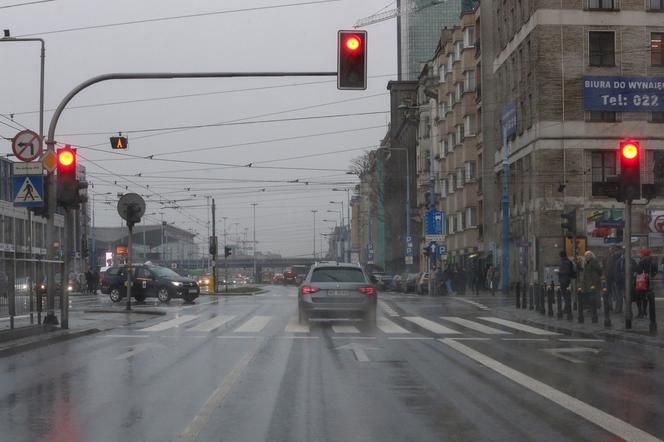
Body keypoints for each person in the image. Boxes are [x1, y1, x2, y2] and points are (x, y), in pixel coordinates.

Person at [634, 247, 657, 319]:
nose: (639, 254)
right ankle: (644, 311)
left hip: (641, 282)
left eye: (640, 253)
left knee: (639, 297)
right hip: (647, 282)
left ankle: (640, 312)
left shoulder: (642, 261)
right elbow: (654, 271)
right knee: (645, 297)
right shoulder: (652, 261)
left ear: (643, 254)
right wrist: (650, 275)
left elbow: (638, 271)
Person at [581, 251, 602, 322]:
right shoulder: (586, 263)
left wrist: (596, 277)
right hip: (587, 282)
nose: (587, 257)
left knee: (593, 295)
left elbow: (599, 270)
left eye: (588, 255)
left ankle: (594, 308)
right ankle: (591, 308)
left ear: (591, 256)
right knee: (589, 295)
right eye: (586, 256)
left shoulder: (594, 261)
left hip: (593, 281)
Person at [557, 250, 576, 320]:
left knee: (565, 295)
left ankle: (567, 308)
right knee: (565, 295)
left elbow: (567, 271)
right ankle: (566, 308)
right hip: (566, 280)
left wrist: (559, 272)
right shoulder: (567, 261)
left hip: (564, 280)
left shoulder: (565, 262)